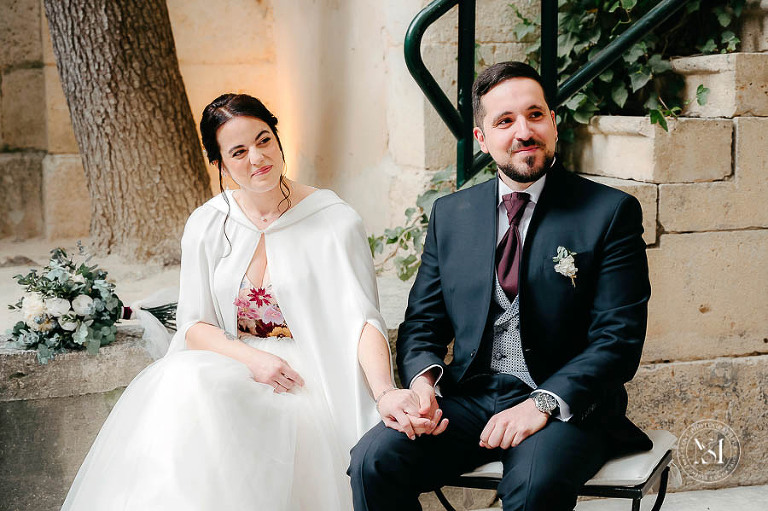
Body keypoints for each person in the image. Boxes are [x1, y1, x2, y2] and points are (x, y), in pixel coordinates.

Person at [62, 93, 426, 510]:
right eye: (238, 151)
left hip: (308, 373)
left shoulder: (335, 220)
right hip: (235, 361)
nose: (258, 157)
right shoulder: (208, 223)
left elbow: (364, 320)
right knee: (185, 385)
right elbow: (194, 325)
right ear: (219, 163)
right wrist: (253, 360)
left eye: (264, 140)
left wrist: (384, 391)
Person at [349, 61, 653, 510]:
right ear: (482, 138)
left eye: (535, 115)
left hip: (565, 405)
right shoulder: (451, 215)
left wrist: (541, 403)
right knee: (373, 460)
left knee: (532, 489)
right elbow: (423, 323)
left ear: (553, 122)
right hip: (469, 398)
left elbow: (618, 338)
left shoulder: (609, 213)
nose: (524, 132)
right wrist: (423, 384)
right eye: (505, 121)